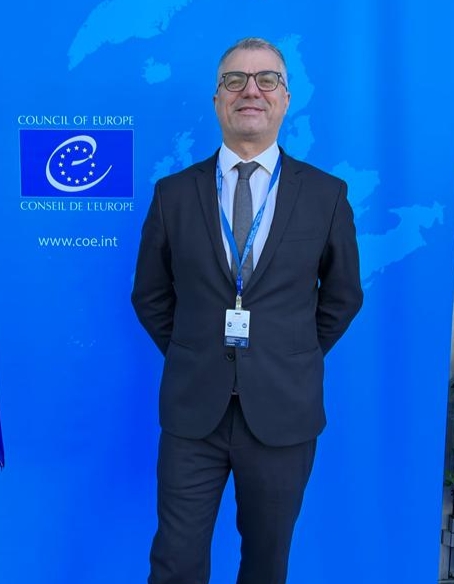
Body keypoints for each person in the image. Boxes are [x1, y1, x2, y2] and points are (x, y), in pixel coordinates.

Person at [131, 37, 363, 584]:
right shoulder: (173, 194)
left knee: (266, 563)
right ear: (217, 100)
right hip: (194, 413)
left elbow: (343, 296)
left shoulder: (327, 195)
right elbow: (150, 295)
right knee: (175, 562)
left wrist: (288, 353)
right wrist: (195, 351)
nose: (250, 90)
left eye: (266, 79)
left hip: (283, 412)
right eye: (234, 80)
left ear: (285, 99)